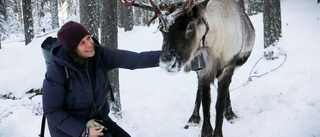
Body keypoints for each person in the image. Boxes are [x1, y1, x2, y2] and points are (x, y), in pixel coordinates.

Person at [42, 21, 161, 137]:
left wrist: (170, 56)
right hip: (69, 129)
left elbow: (137, 60)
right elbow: (52, 112)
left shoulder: (101, 55)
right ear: (73, 50)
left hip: (97, 119)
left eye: (88, 38)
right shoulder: (58, 71)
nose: (89, 44)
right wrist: (84, 132)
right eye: (82, 43)